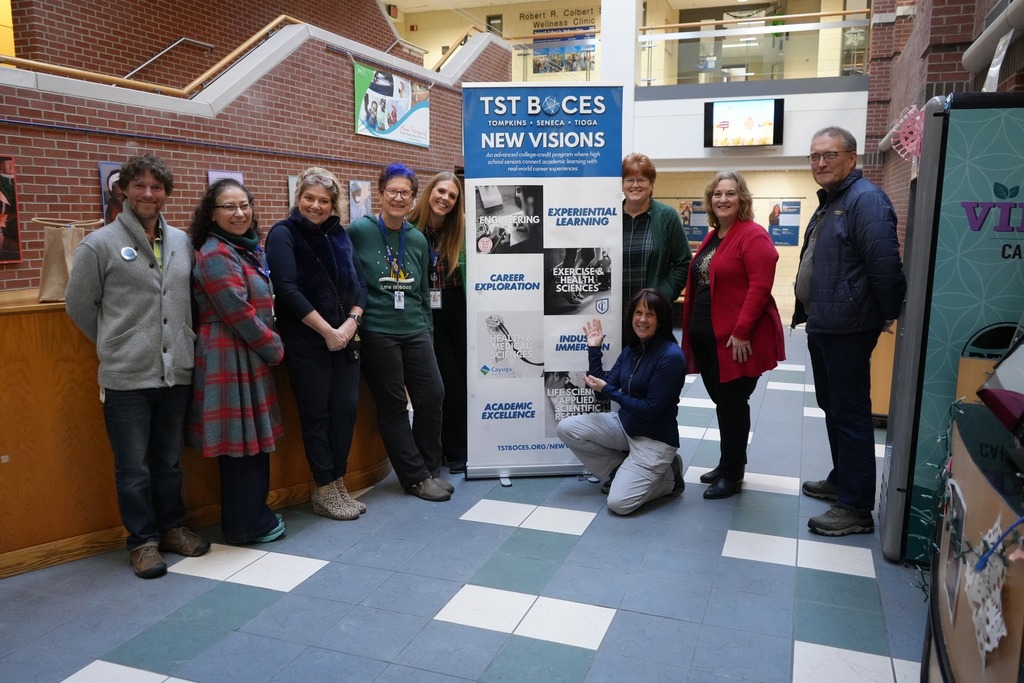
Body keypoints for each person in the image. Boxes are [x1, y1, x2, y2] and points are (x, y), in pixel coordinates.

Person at [66, 153, 210, 579]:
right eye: (140, 185)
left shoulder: (183, 242)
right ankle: (142, 542)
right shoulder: (100, 243)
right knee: (133, 467)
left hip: (176, 372)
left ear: (166, 193)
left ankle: (171, 528)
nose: (148, 194)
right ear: (124, 189)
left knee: (168, 462)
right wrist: (119, 343)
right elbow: (79, 306)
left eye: (157, 187)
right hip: (127, 377)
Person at [795, 126, 906, 536]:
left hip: (847, 327)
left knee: (851, 414)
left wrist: (886, 315)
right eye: (814, 156)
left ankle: (856, 507)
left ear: (852, 157)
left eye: (829, 155)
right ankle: (843, 480)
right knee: (834, 407)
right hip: (825, 322)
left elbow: (886, 267)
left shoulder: (866, 201)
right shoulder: (833, 201)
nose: (820, 163)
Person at [266, 167, 368, 521]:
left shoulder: (341, 235)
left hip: (347, 338)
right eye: (309, 198)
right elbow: (287, 289)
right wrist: (328, 331)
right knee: (316, 415)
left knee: (345, 410)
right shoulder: (284, 234)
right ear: (298, 198)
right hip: (308, 342)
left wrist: (352, 320)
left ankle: (337, 481)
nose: (316, 205)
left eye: (324, 200)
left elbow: (362, 285)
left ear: (333, 203)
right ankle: (324, 487)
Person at [188, 179, 286, 544]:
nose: (240, 213)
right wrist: (275, 347)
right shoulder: (215, 253)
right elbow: (238, 312)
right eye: (229, 207)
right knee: (239, 445)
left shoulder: (243, 249)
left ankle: (253, 516)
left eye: (244, 205)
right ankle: (244, 524)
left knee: (253, 442)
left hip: (247, 354)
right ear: (211, 214)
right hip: (228, 356)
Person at [348, 163, 450, 502]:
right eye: (392, 190)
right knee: (392, 405)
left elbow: (422, 293)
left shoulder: (418, 239)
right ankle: (415, 478)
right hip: (378, 329)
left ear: (412, 197)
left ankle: (430, 469)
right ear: (380, 193)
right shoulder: (359, 231)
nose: (398, 197)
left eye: (405, 192)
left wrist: (428, 333)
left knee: (432, 394)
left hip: (415, 328)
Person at [682, 171, 786, 500]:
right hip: (709, 338)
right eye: (717, 194)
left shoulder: (752, 235)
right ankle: (728, 462)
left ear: (741, 198)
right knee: (723, 402)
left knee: (732, 403)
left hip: (735, 342)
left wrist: (741, 332)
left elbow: (759, 286)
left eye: (730, 193)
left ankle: (732, 474)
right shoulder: (716, 235)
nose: (723, 199)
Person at [556, 289, 687, 515]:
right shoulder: (632, 349)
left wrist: (610, 390)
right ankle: (620, 470)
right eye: (638, 313)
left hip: (655, 440)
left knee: (619, 504)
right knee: (567, 428)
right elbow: (601, 392)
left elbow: (650, 411)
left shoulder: (671, 357)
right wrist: (594, 349)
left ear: (661, 320)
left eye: (650, 315)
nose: (642, 320)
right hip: (625, 426)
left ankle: (670, 477)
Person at [409, 171, 468, 475]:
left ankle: (458, 446)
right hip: (426, 307)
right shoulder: (409, 229)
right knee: (443, 381)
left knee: (462, 375)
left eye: (452, 196)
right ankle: (450, 447)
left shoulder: (459, 230)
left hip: (457, 305)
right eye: (441, 192)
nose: (444, 199)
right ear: (430, 192)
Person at [620, 153, 691, 317]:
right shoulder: (609, 216)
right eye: (629, 179)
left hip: (652, 314)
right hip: (614, 313)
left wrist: (664, 296)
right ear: (622, 184)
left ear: (651, 184)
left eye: (642, 180)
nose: (635, 185)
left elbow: (684, 262)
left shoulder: (667, 216)